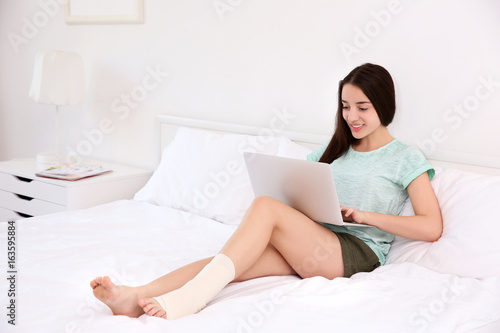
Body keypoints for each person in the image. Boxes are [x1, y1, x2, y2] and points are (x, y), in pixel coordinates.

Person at [90, 63, 443, 320]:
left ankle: (190, 299)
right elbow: (302, 188)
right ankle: (133, 297)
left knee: (265, 207)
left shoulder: (403, 157)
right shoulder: (334, 148)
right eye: (346, 106)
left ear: (384, 104)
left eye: (362, 107)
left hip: (355, 253)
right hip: (315, 242)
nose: (352, 116)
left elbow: (431, 227)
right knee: (228, 265)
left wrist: (365, 216)